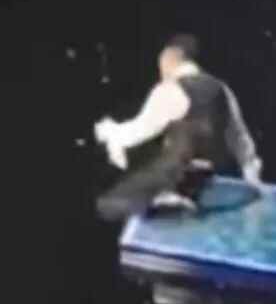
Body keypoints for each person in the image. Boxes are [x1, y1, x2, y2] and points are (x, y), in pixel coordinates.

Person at [94, 34, 264, 221]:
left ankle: (168, 198)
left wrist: (108, 131)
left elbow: (138, 131)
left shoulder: (171, 88)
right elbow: (240, 138)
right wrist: (252, 179)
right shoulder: (222, 89)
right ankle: (174, 198)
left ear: (170, 57)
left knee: (107, 204)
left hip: (178, 173)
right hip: (210, 176)